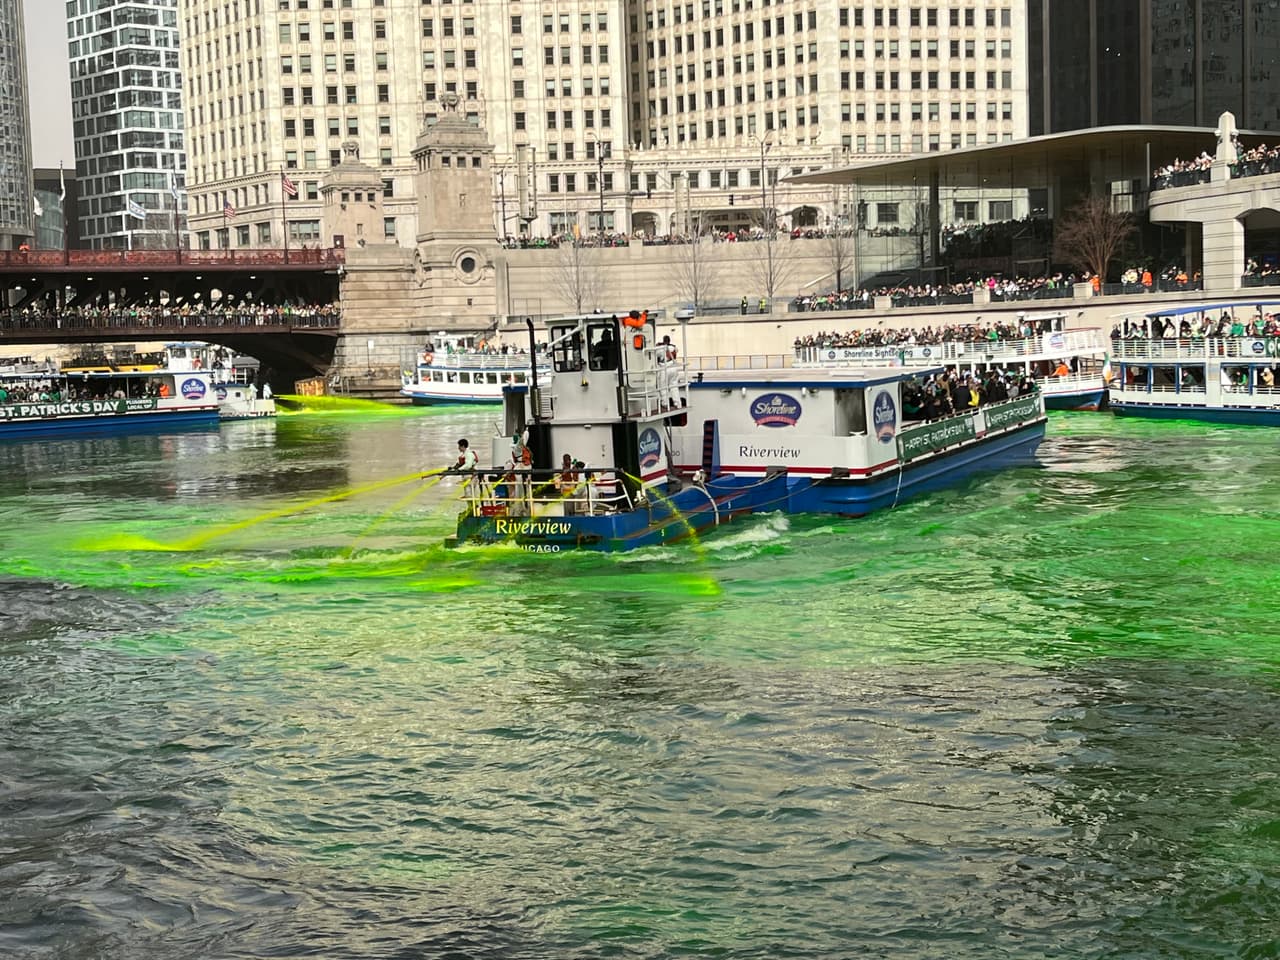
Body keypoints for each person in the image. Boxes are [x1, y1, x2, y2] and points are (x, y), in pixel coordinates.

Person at [657, 334, 679, 409]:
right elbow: (676, 350)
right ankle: (677, 402)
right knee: (674, 386)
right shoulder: (674, 347)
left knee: (663, 386)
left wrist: (658, 345)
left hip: (665, 368)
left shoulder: (660, 348)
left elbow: (656, 354)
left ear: (663, 341)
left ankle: (665, 403)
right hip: (673, 367)